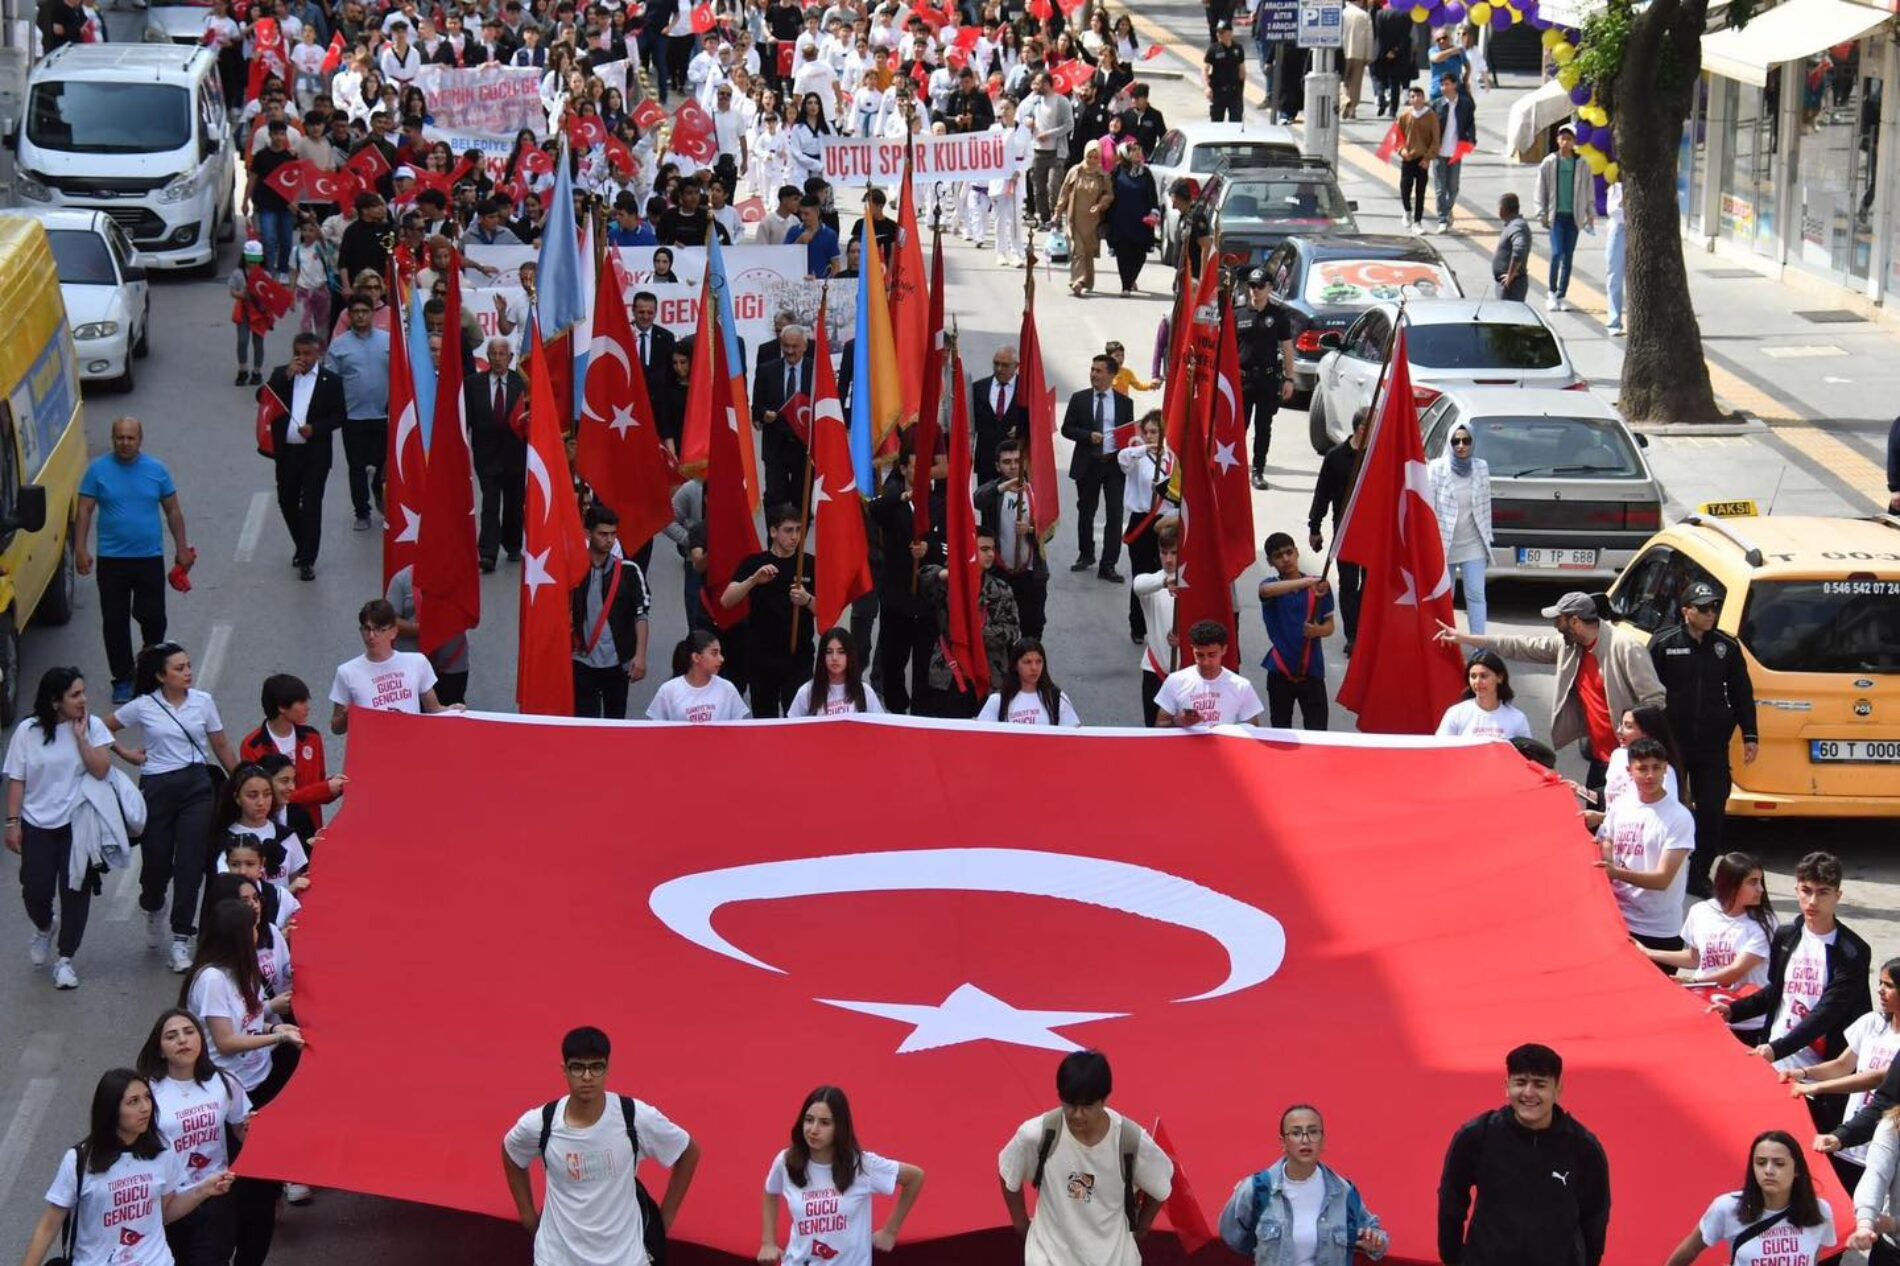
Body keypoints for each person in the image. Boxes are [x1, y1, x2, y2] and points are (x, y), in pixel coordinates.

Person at [501, 1026, 701, 1266]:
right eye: (578, 1067)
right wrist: (527, 1216)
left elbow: (688, 1152)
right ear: (564, 1070)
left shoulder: (634, 1117)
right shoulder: (541, 1122)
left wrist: (662, 1221)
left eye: (596, 1067)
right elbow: (512, 1152)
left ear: (608, 1069)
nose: (587, 1077)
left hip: (625, 1259)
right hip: (556, 1258)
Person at [1436, 591, 1666, 793]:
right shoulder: (1569, 645)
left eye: (1559, 620)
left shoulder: (1625, 648)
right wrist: (1464, 638)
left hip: (1632, 760)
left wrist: (1632, 736)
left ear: (1574, 621)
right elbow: (1520, 645)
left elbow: (1655, 700)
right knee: (1596, 826)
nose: (1555, 626)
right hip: (1600, 758)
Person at [106, 642, 238, 974]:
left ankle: (181, 938)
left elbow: (220, 743)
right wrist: (125, 754)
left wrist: (241, 779)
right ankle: (152, 904)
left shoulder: (203, 703)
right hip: (157, 789)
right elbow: (101, 727)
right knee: (156, 863)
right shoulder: (142, 706)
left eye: (189, 666)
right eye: (179, 668)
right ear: (161, 675)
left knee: (191, 865)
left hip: (197, 788)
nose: (187, 673)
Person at [18, 1069, 234, 1266]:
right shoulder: (80, 1160)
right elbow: (48, 1227)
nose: (145, 1107)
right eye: (133, 1101)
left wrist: (204, 1190)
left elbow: (165, 1213)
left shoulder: (162, 1151)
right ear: (111, 1110)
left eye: (147, 1097)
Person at [1723, 852, 1872, 1125]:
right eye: (1806, 891)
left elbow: (1826, 1014)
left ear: (1838, 896)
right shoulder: (1786, 935)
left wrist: (1775, 1049)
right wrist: (1732, 1011)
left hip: (1819, 1077)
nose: (1813, 901)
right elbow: (1776, 992)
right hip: (1776, 1066)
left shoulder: (1852, 952)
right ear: (1796, 890)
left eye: (1823, 893)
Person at [1436, 1043, 1609, 1266]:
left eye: (1540, 1084)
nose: (1529, 1093)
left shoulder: (1583, 1147)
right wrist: (1453, 1258)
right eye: (1520, 1082)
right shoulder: (1478, 1136)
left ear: (1558, 1090)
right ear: (1506, 1087)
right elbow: (1451, 1199)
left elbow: (1596, 1218)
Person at [998, 1049, 1174, 1266]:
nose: (1077, 1114)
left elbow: (1162, 1186)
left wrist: (1140, 1230)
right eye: (1070, 1104)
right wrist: (1021, 1224)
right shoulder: (1038, 1134)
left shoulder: (1131, 1141)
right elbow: (1008, 1172)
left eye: (1087, 1106)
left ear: (1104, 1099)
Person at [5, 667, 116, 991]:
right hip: (37, 824)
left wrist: (81, 738)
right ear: (55, 701)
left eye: (83, 693)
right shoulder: (28, 731)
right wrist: (12, 823)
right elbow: (17, 779)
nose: (83, 700)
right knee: (35, 888)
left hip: (78, 824)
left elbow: (101, 770)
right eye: (75, 695)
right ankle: (44, 927)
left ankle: (66, 959)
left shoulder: (92, 726)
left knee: (75, 891)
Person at [1649, 580, 1758, 899]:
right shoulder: (1664, 643)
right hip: (1671, 746)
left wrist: (1750, 734)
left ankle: (1698, 874)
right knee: (1667, 809)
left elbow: (1742, 693)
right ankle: (1662, 871)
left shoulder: (1726, 646)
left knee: (1711, 811)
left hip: (1711, 746)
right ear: (1686, 611)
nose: (1711, 614)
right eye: (1704, 608)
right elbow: (1644, 690)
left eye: (1714, 608)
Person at [75, 417, 195, 704]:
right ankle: (123, 679)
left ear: (140, 440)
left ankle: (151, 671)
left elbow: (173, 511)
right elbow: (84, 511)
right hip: (112, 560)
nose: (124, 443)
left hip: (148, 558)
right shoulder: (98, 471)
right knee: (114, 621)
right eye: (119, 437)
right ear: (112, 439)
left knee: (153, 618)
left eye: (130, 438)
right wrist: (80, 549)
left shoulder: (156, 470)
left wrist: (182, 548)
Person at [759, 1086, 925, 1264]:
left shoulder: (862, 1165)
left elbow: (915, 1177)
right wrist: (768, 1242)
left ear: (840, 1127)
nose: (813, 1129)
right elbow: (771, 1191)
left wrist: (890, 1231)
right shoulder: (786, 1161)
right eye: (808, 1120)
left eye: (824, 1123)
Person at [137, 1008, 250, 1266]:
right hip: (169, 1202)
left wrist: (250, 1130)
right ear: (160, 1049)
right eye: (172, 1036)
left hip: (216, 1196)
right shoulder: (147, 1092)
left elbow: (239, 1130)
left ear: (201, 1039)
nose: (182, 1040)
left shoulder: (224, 1082)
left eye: (189, 1032)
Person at [1217, 1104, 1389, 1264]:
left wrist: (1376, 1241)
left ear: (1323, 1141)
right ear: (1283, 1143)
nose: (1305, 1140)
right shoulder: (1257, 1188)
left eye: (1313, 1132)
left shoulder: (1343, 1192)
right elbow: (1234, 1236)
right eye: (1296, 1133)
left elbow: (1375, 1235)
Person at [1663, 1131, 1834, 1266]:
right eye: (1760, 1162)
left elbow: (1813, 1259)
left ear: (1797, 1170)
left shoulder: (1820, 1211)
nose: (1768, 1170)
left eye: (1779, 1163)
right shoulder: (1727, 1207)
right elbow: (1690, 1250)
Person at [1645, 852, 1775, 1027]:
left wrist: (1692, 982)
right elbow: (1694, 959)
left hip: (1746, 1022)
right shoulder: (1700, 911)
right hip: (1706, 1011)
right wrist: (1648, 953)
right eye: (1753, 882)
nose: (1761, 889)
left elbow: (1735, 972)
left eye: (1760, 881)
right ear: (1731, 884)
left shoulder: (1764, 922)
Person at [1592, 736, 1696, 953]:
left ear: (1666, 769)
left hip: (1657, 932)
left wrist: (1615, 873)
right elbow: (1608, 837)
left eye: (1656, 768)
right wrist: (1608, 859)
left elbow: (1663, 879)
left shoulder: (1679, 817)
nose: (1650, 775)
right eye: (1642, 769)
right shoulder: (1621, 805)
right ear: (1630, 771)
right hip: (1617, 919)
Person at [723, 504, 818, 717]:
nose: (795, 537)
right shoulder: (754, 563)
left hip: (798, 657)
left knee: (798, 722)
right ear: (773, 532)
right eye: (788, 530)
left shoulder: (809, 564)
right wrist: (753, 580)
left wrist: (807, 599)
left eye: (798, 530)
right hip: (761, 658)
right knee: (765, 722)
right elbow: (727, 600)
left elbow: (826, 611)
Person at [264, 332, 345, 581]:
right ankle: (301, 544)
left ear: (318, 353)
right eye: (298, 353)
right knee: (287, 500)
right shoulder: (283, 375)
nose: (303, 359)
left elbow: (339, 416)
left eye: (308, 353)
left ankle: (308, 559)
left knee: (311, 505)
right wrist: (284, 376)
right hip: (287, 452)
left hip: (314, 454)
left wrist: (316, 429)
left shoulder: (329, 381)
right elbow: (263, 397)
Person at [328, 597, 460, 733]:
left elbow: (434, 709)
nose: (371, 636)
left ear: (394, 632)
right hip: (373, 750)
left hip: (410, 746)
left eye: (379, 629)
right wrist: (346, 716)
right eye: (367, 629)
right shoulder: (347, 672)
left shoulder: (417, 662)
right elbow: (336, 728)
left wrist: (452, 710)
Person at [571, 504, 653, 719]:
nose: (609, 540)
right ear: (588, 534)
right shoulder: (572, 570)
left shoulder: (629, 570)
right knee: (584, 724)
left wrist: (640, 656)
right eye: (603, 534)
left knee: (615, 723)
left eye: (613, 534)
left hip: (617, 663)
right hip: (581, 660)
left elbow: (641, 614)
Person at [238, 674, 345, 830]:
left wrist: (335, 786)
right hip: (272, 832)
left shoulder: (312, 738)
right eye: (301, 702)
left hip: (310, 830)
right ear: (282, 707)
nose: (307, 707)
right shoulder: (252, 746)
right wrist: (324, 789)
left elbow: (317, 785)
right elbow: (269, 798)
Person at [1061, 355, 1133, 580]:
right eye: (1092, 370)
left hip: (1113, 465)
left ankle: (1108, 564)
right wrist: (1087, 436)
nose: (1093, 374)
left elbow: (1128, 433)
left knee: (1115, 515)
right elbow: (1067, 429)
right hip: (1088, 463)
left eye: (1099, 371)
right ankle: (1086, 554)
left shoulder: (1124, 403)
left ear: (1112, 375)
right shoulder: (1079, 399)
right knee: (1086, 512)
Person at [325, 293, 393, 530]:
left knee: (385, 465)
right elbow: (331, 381)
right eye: (356, 312)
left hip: (384, 416)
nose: (361, 316)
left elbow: (401, 375)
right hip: (353, 417)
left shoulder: (388, 340)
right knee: (357, 466)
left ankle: (381, 495)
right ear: (349, 315)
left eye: (365, 311)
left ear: (372, 314)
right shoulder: (339, 345)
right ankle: (361, 512)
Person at [1255, 532, 1334, 730]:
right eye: (1278, 556)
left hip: (1312, 671)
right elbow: (1266, 592)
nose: (1286, 559)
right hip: (1280, 670)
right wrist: (1310, 582)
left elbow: (1330, 626)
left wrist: (1317, 630)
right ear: (1270, 562)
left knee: (1318, 735)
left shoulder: (1321, 587)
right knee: (1281, 733)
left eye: (1289, 552)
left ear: (1297, 552)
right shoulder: (1271, 585)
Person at [975, 438, 1051, 640]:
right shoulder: (995, 491)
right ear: (997, 466)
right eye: (1007, 462)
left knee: (1033, 627)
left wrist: (1030, 529)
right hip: (1001, 572)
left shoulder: (1036, 490)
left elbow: (1049, 530)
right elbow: (978, 499)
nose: (1013, 466)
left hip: (1032, 574)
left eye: (1017, 461)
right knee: (1001, 627)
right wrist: (1002, 487)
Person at [1308, 408, 1368, 652]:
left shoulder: (1378, 455)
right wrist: (1315, 526)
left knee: (1371, 584)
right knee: (1349, 582)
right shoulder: (1335, 457)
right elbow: (1322, 493)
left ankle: (1365, 629)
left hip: (1372, 530)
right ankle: (1352, 635)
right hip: (1345, 528)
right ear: (1360, 429)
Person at [467, 335, 527, 572]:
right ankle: (488, 552)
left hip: (515, 455)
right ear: (488, 357)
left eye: (503, 354)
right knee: (490, 504)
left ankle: (513, 544)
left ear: (511, 358)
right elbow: (466, 419)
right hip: (487, 455)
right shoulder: (473, 384)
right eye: (494, 354)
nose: (498, 359)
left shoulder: (522, 382)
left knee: (514, 503)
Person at [1115, 413, 1174, 644]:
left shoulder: (1171, 458)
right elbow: (1123, 460)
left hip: (1166, 521)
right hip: (1142, 520)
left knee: (1165, 573)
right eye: (1146, 431)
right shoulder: (1136, 456)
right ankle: (1137, 625)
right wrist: (1144, 448)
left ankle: (1162, 624)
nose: (1149, 436)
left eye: (1154, 432)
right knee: (1142, 574)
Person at [1429, 421, 1493, 633]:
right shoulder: (1438, 469)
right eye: (1455, 441)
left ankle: (1479, 645)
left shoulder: (1481, 467)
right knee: (1445, 597)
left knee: (1476, 594)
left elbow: (1485, 507)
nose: (1461, 445)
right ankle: (1445, 644)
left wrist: (1488, 539)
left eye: (1466, 440)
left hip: (1473, 543)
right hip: (1444, 544)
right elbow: (1430, 507)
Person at [1235, 269, 1295, 491]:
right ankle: (1235, 468)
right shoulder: (1238, 314)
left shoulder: (1278, 315)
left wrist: (1290, 378)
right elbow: (1227, 350)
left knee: (1263, 427)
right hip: (1242, 379)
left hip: (1268, 379)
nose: (1255, 291)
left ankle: (1258, 470)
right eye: (1252, 286)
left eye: (1260, 286)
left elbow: (1287, 348)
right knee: (1238, 426)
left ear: (1270, 288)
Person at [1155, 620, 1266, 728]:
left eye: (1212, 655)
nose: (1206, 662)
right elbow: (1159, 727)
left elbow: (1253, 730)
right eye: (1199, 655)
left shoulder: (1241, 686)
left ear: (1224, 649)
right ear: (1192, 649)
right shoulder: (1175, 681)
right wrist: (1178, 722)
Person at [1533, 125, 1594, 312]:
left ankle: (1561, 295)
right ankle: (1551, 292)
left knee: (1568, 257)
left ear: (1574, 141)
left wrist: (1590, 213)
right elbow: (1540, 188)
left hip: (1574, 218)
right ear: (1557, 140)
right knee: (1557, 253)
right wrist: (1540, 212)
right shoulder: (1550, 162)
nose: (1566, 142)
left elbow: (1588, 189)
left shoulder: (1582, 164)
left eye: (1569, 138)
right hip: (1556, 217)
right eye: (1563, 138)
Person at [1131, 523, 1181, 726]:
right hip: (1155, 670)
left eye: (1174, 553)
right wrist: (1164, 582)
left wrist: (1186, 638)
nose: (1168, 559)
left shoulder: (1195, 584)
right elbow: (1138, 585)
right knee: (1153, 730)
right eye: (1164, 552)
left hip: (1186, 673)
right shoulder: (1152, 582)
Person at [648, 630, 752, 722]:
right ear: (696, 657)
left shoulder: (727, 689)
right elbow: (657, 729)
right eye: (714, 653)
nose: (721, 659)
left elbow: (738, 728)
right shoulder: (668, 691)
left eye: (720, 653)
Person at [975, 638, 1082, 727]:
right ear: (1015, 665)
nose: (1034, 668)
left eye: (1039, 661)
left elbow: (1072, 737)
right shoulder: (997, 701)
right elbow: (984, 738)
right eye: (1027, 662)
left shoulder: (1057, 699)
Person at [1436, 649, 1533, 740]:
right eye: (1473, 676)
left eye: (1484, 676)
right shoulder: (1456, 713)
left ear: (1500, 678)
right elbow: (1441, 748)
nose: (1477, 682)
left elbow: (1527, 754)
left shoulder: (1517, 718)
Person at [787, 627, 884, 717]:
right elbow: (790, 728)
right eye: (829, 652)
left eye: (841, 652)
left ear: (849, 655)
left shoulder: (865, 691)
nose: (834, 658)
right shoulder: (806, 692)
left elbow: (881, 726)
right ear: (822, 657)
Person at [1055, 151, 1112, 297]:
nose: (1092, 160)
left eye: (1095, 157)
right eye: (1089, 157)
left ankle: (1088, 281)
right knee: (1078, 250)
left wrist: (1100, 205)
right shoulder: (1075, 172)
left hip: (1093, 220)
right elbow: (1064, 193)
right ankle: (1078, 281)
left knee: (1088, 251)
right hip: (1074, 219)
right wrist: (1057, 212)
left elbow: (1109, 195)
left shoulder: (1102, 175)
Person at [1105, 142, 1157, 296]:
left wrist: (1154, 213)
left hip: (1141, 222)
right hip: (1120, 221)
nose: (1138, 153)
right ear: (1126, 153)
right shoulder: (1117, 171)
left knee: (1139, 255)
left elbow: (1153, 196)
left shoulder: (1146, 173)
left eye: (1139, 150)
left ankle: (1131, 277)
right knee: (1123, 253)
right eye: (1133, 150)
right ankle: (1125, 286)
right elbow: (1109, 193)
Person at [1430, 74, 1474, 234]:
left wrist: (1471, 140)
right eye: (1442, 85)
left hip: (1456, 151)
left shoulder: (1465, 104)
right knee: (1440, 188)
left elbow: (1470, 124)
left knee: (1453, 187)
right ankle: (1442, 219)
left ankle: (1447, 210)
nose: (1444, 88)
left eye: (1447, 84)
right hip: (1439, 152)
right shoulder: (1436, 105)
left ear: (1455, 85)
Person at [1395, 86, 1439, 234]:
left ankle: (1418, 221)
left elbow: (1435, 139)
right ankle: (1407, 210)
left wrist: (1428, 157)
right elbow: (1398, 137)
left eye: (1419, 95)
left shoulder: (1431, 116)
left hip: (1422, 159)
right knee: (1405, 187)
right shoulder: (1404, 116)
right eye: (1413, 96)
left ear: (1424, 98)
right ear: (1410, 99)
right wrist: (1402, 151)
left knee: (1421, 191)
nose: (1416, 99)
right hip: (1408, 158)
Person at [1493, 193, 1532, 301]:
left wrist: (1510, 276)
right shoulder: (1513, 225)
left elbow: (1519, 249)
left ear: (1503, 209)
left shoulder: (1517, 226)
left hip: (1512, 287)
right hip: (1508, 286)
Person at [1203, 21, 1244, 122]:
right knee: (1216, 123)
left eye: (1221, 32)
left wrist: (1241, 92)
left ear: (1229, 33)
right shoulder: (1213, 49)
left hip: (1234, 92)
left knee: (1236, 123)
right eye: (1218, 32)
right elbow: (1205, 69)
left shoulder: (1238, 48)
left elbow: (1242, 70)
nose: (1218, 35)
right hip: (1218, 91)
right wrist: (1207, 87)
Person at [1340, 0, 1372, 119]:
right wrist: (1368, 55)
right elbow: (1369, 38)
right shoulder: (1364, 15)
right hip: (1359, 52)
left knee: (1342, 80)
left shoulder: (1342, 13)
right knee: (1356, 82)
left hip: (1343, 52)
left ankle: (1344, 100)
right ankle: (1352, 109)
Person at [1603, 181, 1626, 336]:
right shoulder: (1615, 188)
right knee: (1614, 276)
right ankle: (1614, 321)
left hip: (1635, 231)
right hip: (1618, 231)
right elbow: (1613, 211)